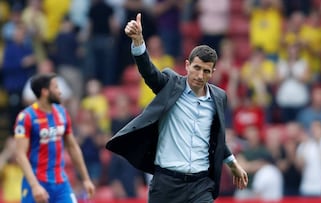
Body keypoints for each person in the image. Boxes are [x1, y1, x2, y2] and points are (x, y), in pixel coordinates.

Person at [106, 13, 248, 202]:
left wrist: (232, 164)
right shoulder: (171, 85)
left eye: (206, 71)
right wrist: (139, 42)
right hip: (166, 184)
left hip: (200, 185)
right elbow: (149, 72)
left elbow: (217, 137)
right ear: (188, 65)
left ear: (213, 72)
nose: (200, 75)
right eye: (196, 68)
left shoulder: (219, 97)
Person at [14, 73, 95, 203]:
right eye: (56, 87)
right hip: (36, 183)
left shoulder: (62, 112)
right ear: (45, 92)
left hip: (61, 183)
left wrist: (86, 179)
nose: (60, 92)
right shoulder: (26, 117)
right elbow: (20, 155)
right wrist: (35, 186)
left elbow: (72, 147)